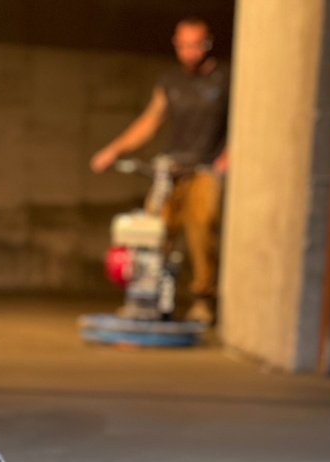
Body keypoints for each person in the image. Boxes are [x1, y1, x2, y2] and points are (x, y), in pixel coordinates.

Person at [90, 18, 229, 326]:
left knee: (202, 228)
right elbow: (149, 122)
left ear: (208, 44)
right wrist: (114, 149)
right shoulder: (171, 82)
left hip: (205, 167)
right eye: (183, 45)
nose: (189, 52)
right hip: (171, 167)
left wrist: (227, 157)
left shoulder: (223, 80)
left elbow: (241, 121)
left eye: (196, 45)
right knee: (153, 231)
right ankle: (146, 296)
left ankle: (203, 299)